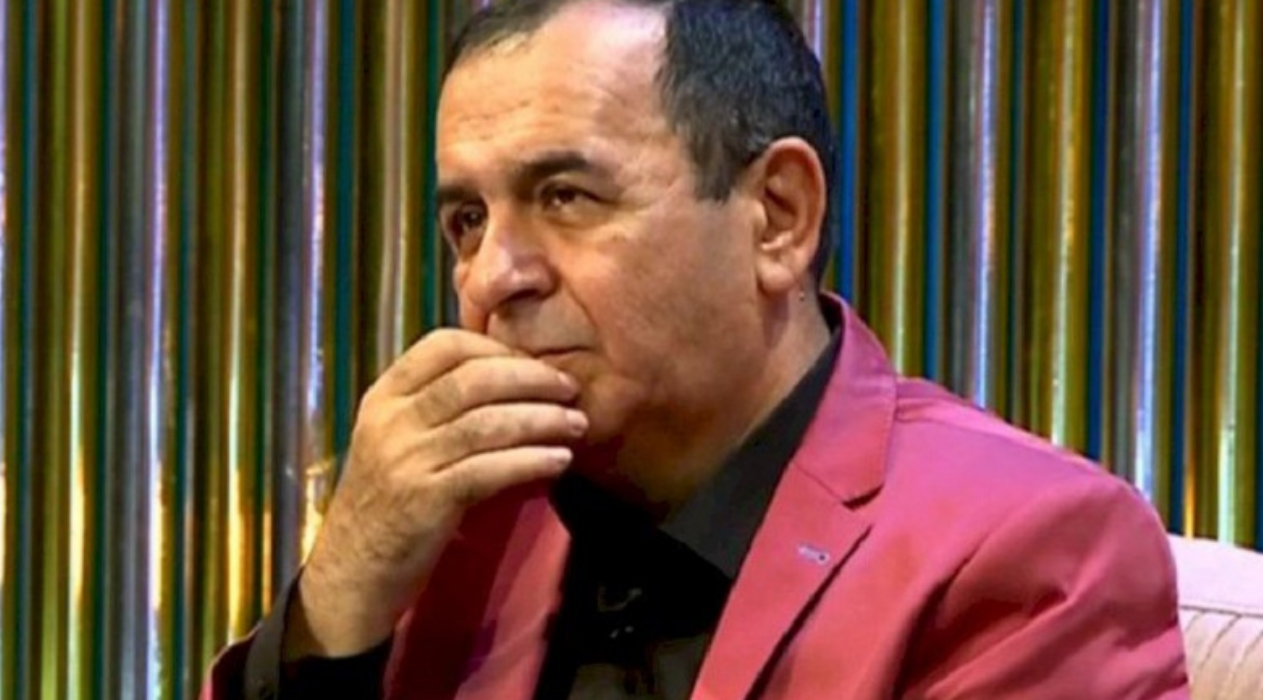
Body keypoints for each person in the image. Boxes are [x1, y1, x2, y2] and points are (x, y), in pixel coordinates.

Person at [204, 0, 1190, 697]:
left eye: (564, 197)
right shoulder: (457, 529)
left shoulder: (1024, 551)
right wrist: (333, 606)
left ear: (776, 216)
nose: (493, 276)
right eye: (467, 219)